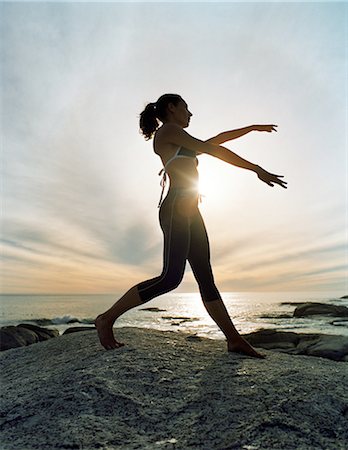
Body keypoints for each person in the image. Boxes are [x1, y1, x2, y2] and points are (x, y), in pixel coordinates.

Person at [95, 93, 287, 357]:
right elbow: (214, 149)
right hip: (176, 208)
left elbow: (217, 140)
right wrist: (255, 168)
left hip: (190, 210)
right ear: (172, 108)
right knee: (170, 278)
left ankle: (233, 339)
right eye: (187, 107)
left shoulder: (179, 139)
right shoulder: (168, 132)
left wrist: (251, 128)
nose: (191, 114)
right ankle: (106, 318)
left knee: (205, 277)